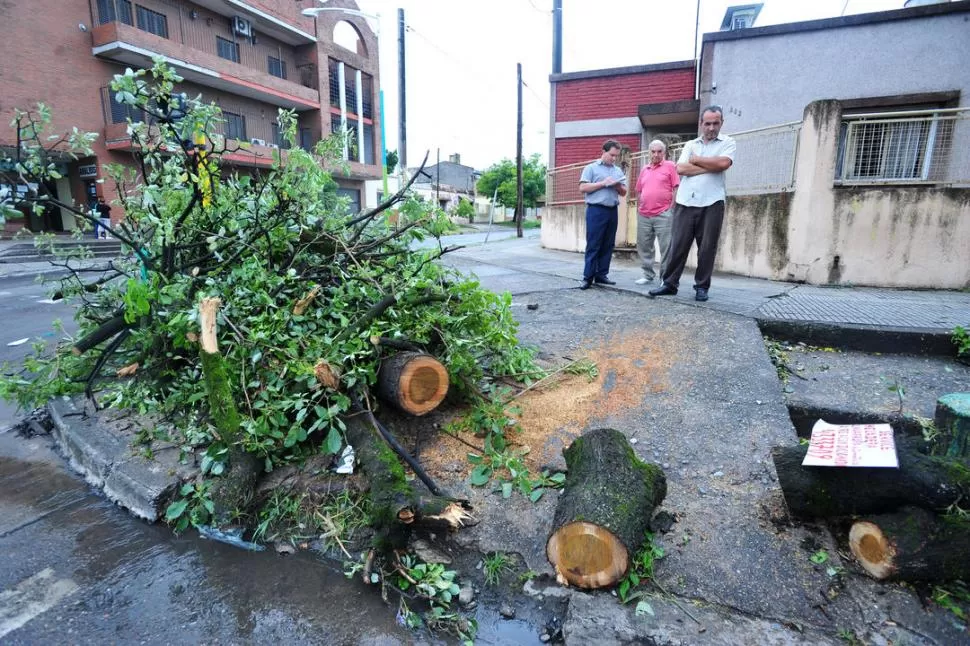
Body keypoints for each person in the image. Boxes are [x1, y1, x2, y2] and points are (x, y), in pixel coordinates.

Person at [649, 106, 735, 302]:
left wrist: (697, 161)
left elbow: (723, 165)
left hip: (712, 203)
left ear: (721, 123)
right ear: (701, 124)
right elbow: (681, 168)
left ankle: (701, 287)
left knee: (707, 248)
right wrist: (710, 165)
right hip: (685, 202)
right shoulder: (690, 144)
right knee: (677, 245)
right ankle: (669, 284)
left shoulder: (728, 142)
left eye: (716, 123)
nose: (712, 127)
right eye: (708, 123)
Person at [578, 140, 627, 290]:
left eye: (616, 156)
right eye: (611, 155)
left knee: (608, 244)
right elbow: (583, 187)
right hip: (596, 210)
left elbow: (624, 192)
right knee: (594, 244)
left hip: (612, 210)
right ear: (603, 151)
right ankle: (588, 277)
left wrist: (616, 185)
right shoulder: (591, 168)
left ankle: (601, 275)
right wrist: (603, 183)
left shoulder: (617, 171)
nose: (614, 158)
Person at [633, 140, 679, 285]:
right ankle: (647, 275)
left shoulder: (670, 166)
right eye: (653, 151)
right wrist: (639, 208)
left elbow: (676, 188)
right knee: (644, 246)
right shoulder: (644, 169)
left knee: (666, 248)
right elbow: (639, 190)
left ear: (664, 153)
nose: (656, 154)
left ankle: (665, 278)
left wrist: (671, 208)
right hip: (644, 214)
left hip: (663, 214)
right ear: (649, 153)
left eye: (659, 151)